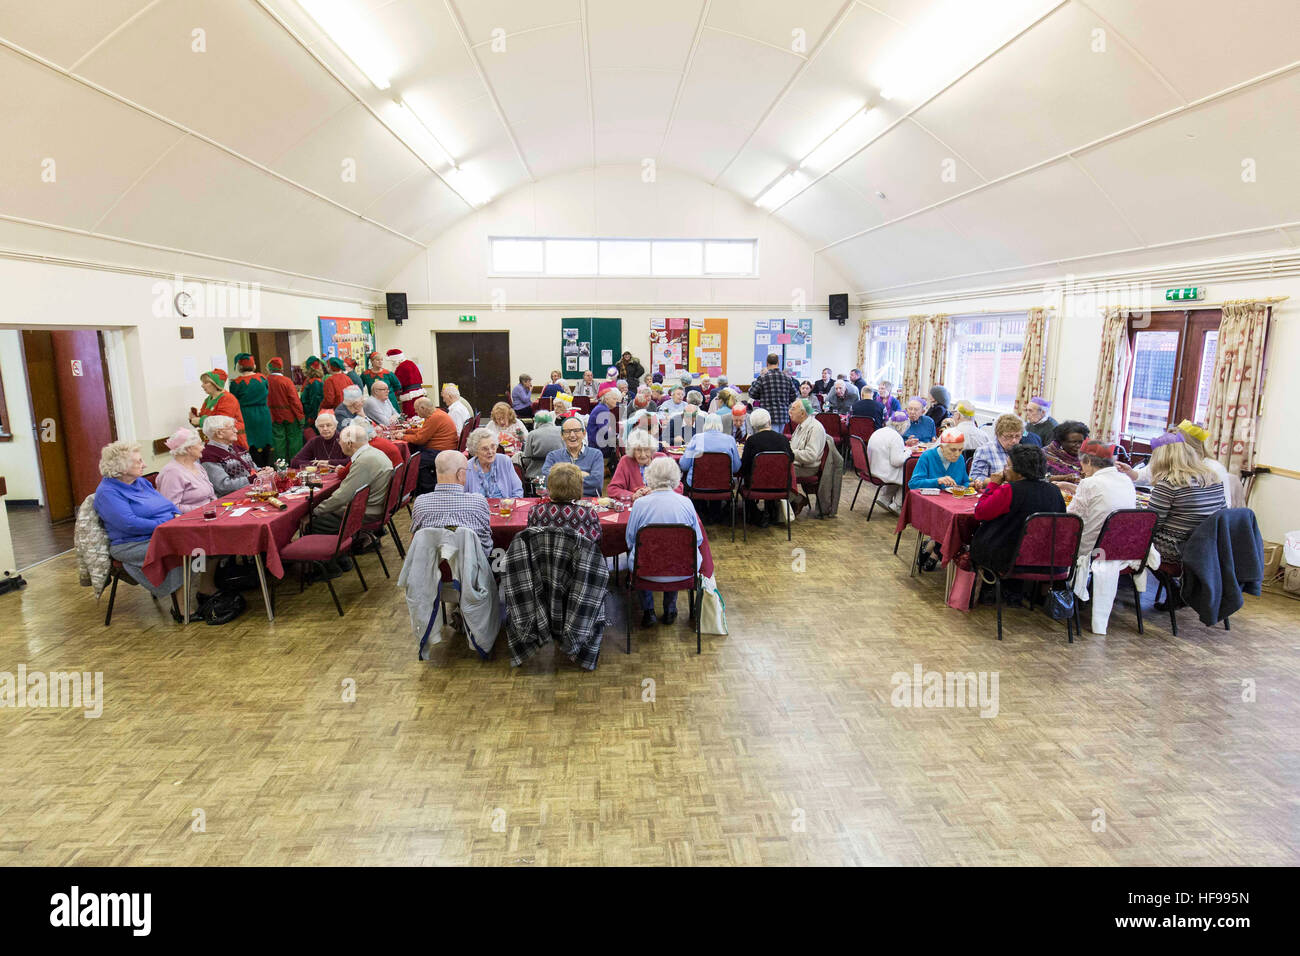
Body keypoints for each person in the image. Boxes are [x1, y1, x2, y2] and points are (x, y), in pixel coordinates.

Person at [94, 440, 216, 617]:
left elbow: (169, 506)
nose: (144, 464)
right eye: (138, 461)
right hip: (130, 544)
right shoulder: (107, 492)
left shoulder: (140, 483)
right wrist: (166, 523)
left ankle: (205, 589)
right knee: (178, 550)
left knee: (202, 542)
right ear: (121, 467)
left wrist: (172, 518)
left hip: (162, 534)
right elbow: (129, 523)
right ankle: (182, 610)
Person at [625, 457, 702, 627]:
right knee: (676, 554)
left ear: (649, 477)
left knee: (641, 555)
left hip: (645, 571)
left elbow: (630, 539)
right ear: (676, 477)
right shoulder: (686, 503)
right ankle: (670, 609)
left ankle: (648, 611)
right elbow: (698, 539)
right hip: (683, 570)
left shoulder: (639, 504)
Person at [971, 443, 1066, 578]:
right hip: (1047, 559)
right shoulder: (1054, 490)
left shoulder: (1009, 490)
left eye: (1007, 466)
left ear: (1020, 471)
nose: (1004, 470)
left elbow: (980, 513)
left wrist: (993, 485)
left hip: (1010, 557)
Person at [1147, 432, 1225, 564]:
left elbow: (1151, 525)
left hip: (1176, 548)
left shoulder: (1169, 483)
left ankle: (1124, 581)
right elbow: (1222, 514)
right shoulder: (1213, 478)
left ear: (1161, 458)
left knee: (1128, 540)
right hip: (1208, 547)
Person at [307, 423, 394, 537]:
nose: (339, 443)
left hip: (370, 511)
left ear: (349, 443)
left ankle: (346, 549)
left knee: (314, 523)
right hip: (378, 505)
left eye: (340, 441)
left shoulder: (365, 460)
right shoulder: (374, 452)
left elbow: (343, 496)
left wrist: (314, 512)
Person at [409, 450, 493, 561]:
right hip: (472, 570)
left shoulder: (420, 503)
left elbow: (416, 543)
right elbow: (486, 544)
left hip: (432, 570)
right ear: (460, 474)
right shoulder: (478, 502)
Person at [1067, 441, 1136, 556]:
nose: (1082, 469)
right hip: (1120, 548)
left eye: (1082, 464)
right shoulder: (1126, 480)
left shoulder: (1089, 483)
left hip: (1092, 550)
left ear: (1088, 461)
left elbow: (1072, 519)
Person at [738, 407, 793, 527]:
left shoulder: (752, 441)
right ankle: (771, 513)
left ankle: (756, 515)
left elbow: (745, 466)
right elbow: (791, 459)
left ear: (753, 425)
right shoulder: (783, 439)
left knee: (745, 483)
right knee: (770, 477)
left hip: (755, 485)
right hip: (780, 484)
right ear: (769, 421)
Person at [679, 414, 740, 520]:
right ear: (720, 425)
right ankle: (715, 512)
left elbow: (684, 465)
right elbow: (736, 468)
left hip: (696, 484)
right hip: (723, 484)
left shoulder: (697, 439)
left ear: (705, 425)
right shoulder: (730, 440)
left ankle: (700, 511)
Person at [525, 462, 602, 543]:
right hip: (577, 555)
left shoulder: (535, 511)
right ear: (579, 487)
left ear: (550, 486)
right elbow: (597, 541)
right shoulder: (588, 513)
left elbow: (530, 541)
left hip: (544, 555)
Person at [401, 396, 459, 495]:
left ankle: (428, 490)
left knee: (414, 461)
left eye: (416, 410)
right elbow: (424, 431)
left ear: (423, 409)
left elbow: (420, 439)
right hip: (444, 448)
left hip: (441, 452)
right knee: (417, 453)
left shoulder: (434, 417)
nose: (416, 413)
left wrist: (402, 437)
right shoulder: (437, 413)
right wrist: (406, 431)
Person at [542, 417, 606, 498]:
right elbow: (548, 480)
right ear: (562, 435)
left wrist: (560, 478)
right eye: (567, 431)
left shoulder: (596, 454)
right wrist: (580, 474)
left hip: (587, 502)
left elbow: (596, 482)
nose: (572, 435)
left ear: (584, 433)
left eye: (576, 430)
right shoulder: (552, 456)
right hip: (560, 502)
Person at [156, 427, 217, 511]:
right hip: (190, 519)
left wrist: (216, 506)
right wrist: (202, 509)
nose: (203, 447)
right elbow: (171, 506)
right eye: (199, 444)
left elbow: (211, 495)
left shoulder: (197, 466)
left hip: (210, 513)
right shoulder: (171, 472)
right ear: (189, 448)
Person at [228, 354, 273, 466]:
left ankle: (255, 467)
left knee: (250, 441)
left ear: (239, 367)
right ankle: (268, 466)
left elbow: (233, 401)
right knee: (265, 440)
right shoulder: (262, 378)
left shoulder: (236, 383)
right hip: (263, 413)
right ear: (253, 365)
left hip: (246, 415)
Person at [610, 430, 680, 498]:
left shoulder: (661, 459)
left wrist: (657, 492)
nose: (643, 455)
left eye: (646, 449)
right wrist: (632, 495)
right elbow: (613, 489)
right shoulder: (626, 461)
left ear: (652, 449)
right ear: (633, 451)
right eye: (638, 450)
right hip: (636, 506)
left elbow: (679, 487)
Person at [199, 415, 258, 495]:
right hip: (232, 500)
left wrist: (264, 472)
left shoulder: (238, 448)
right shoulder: (209, 455)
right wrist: (253, 478)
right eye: (231, 428)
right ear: (219, 433)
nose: (236, 430)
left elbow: (253, 470)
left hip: (253, 492)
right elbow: (223, 486)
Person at [866, 411, 912, 513]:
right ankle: (898, 504)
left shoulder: (879, 431)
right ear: (903, 426)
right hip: (883, 472)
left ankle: (885, 498)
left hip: (872, 468)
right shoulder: (896, 437)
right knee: (910, 472)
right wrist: (909, 451)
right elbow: (897, 461)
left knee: (900, 471)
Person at [189, 368, 246, 449]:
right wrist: (195, 418)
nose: (202, 385)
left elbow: (221, 423)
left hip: (231, 442)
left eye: (206, 382)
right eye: (202, 383)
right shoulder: (209, 399)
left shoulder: (228, 399)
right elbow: (205, 417)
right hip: (216, 441)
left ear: (215, 384)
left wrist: (200, 420)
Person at [463, 427, 524, 499]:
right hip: (478, 509)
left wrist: (511, 504)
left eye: (493, 446)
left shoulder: (504, 461)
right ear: (475, 451)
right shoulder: (467, 468)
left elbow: (518, 490)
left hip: (505, 508)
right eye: (485, 449)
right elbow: (463, 496)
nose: (490, 451)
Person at [265, 357, 306, 463]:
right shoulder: (287, 381)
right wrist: (301, 418)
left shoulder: (265, 381)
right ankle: (295, 464)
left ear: (269, 369)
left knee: (278, 443)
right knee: (295, 442)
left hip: (273, 416)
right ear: (281, 369)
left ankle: (280, 467)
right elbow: (295, 401)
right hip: (290, 416)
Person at [969, 413, 1025, 486]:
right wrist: (1000, 480)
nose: (1014, 440)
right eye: (1009, 436)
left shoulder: (1021, 451)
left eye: (1017, 436)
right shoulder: (985, 450)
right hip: (994, 492)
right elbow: (974, 478)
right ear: (998, 434)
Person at [749, 352, 800, 428]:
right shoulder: (787, 378)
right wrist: (786, 401)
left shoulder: (763, 378)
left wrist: (761, 396)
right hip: (783, 416)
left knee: (770, 439)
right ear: (778, 362)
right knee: (779, 439)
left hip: (768, 417)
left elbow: (751, 393)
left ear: (767, 363)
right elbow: (795, 395)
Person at [789, 398, 828, 480]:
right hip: (796, 464)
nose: (789, 412)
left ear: (802, 413)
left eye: (793, 409)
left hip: (806, 469)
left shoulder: (815, 428)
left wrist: (789, 452)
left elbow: (811, 456)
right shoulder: (801, 424)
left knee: (776, 471)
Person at [522, 410, 563, 481]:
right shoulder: (561, 430)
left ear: (536, 422)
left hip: (537, 476)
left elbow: (526, 461)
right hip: (560, 473)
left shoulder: (532, 434)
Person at [586, 387, 620, 470]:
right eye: (614, 399)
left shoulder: (601, 408)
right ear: (607, 399)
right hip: (598, 447)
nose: (617, 401)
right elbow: (605, 432)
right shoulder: (602, 410)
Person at [386, 348, 426, 416]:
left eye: (392, 361)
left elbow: (397, 384)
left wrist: (392, 394)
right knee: (420, 414)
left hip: (409, 396)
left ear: (395, 359)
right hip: (419, 393)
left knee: (410, 415)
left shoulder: (400, 367)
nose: (392, 363)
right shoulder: (411, 363)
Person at [298, 356, 326, 428]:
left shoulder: (314, 383)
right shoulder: (312, 381)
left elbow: (315, 402)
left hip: (312, 417)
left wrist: (312, 417)